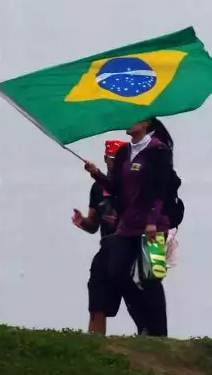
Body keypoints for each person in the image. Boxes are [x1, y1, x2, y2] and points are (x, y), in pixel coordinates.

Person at [95, 117, 176, 337]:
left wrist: (151, 220)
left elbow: (160, 189)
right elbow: (117, 187)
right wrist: (97, 174)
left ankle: (159, 333)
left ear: (146, 124)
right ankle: (143, 323)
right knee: (117, 272)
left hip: (154, 225)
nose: (128, 122)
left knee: (151, 278)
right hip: (128, 224)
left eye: (134, 120)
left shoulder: (158, 150)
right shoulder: (124, 152)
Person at [72, 139, 147, 336]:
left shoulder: (135, 186)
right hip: (106, 248)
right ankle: (95, 347)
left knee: (138, 303)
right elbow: (93, 224)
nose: (117, 163)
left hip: (129, 248)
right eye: (113, 159)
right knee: (97, 301)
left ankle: (148, 343)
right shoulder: (98, 188)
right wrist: (83, 222)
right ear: (106, 159)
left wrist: (122, 221)